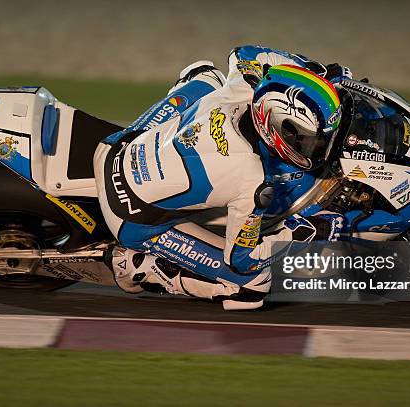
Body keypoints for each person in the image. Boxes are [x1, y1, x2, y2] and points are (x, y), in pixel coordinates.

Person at [93, 45, 351, 310]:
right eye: (308, 140)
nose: (318, 148)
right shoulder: (252, 181)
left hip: (116, 147)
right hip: (130, 217)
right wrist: (297, 235)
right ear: (274, 124)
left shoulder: (241, 88)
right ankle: (138, 266)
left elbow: (244, 53)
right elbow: (242, 259)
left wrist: (310, 73)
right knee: (253, 285)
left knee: (206, 75)